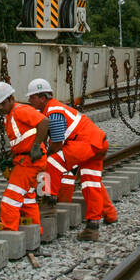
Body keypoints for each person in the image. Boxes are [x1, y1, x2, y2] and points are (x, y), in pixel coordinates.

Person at [28, 78, 116, 240]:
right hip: (98, 143)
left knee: (52, 162)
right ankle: (94, 226)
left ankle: (49, 201)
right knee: (91, 184)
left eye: (31, 97)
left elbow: (57, 143)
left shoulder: (53, 111)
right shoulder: (55, 108)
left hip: (85, 143)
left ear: (42, 97)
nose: (29, 101)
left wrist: (45, 154)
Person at [0, 81, 48, 232]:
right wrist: (12, 156)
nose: (0, 108)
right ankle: (36, 232)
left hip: (29, 162)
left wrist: (36, 146)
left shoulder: (20, 110)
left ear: (11, 99)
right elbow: (22, 140)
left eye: (2, 104)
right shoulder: (10, 115)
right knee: (28, 199)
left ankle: (9, 231)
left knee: (10, 198)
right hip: (25, 160)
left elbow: (44, 122)